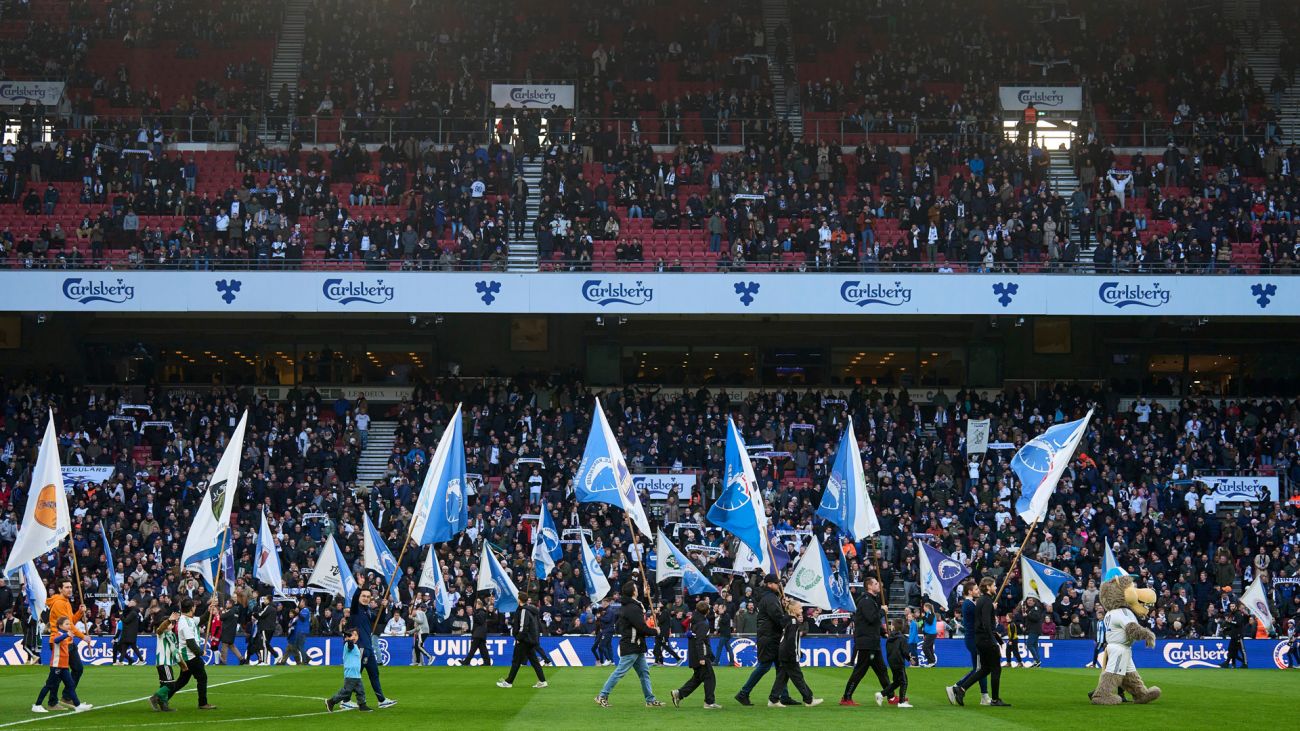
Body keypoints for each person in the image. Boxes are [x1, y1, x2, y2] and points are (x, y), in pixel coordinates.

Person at [595, 581, 662, 708]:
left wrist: (646, 595)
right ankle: (602, 695)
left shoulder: (630, 606)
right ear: (633, 592)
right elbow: (641, 626)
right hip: (631, 645)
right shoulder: (632, 608)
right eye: (636, 588)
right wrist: (655, 631)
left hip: (636, 645)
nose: (637, 589)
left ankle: (650, 699)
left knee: (644, 673)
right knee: (620, 672)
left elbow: (640, 611)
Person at [947, 577, 1009, 707]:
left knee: (983, 669)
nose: (996, 588)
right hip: (981, 639)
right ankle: (962, 688)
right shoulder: (977, 603)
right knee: (987, 668)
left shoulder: (977, 602)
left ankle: (966, 690)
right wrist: (994, 639)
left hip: (977, 638)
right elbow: (984, 621)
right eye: (994, 585)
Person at [735, 573, 785, 706]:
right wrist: (789, 620)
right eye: (776, 583)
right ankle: (743, 693)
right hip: (769, 637)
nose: (778, 585)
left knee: (781, 667)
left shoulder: (769, 597)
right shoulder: (770, 598)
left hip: (769, 636)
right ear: (769, 584)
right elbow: (777, 616)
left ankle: (783, 695)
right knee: (765, 666)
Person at [840, 576, 891, 706]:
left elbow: (872, 623)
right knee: (860, 671)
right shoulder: (867, 601)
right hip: (867, 643)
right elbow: (871, 618)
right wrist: (882, 611)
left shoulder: (871, 600)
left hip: (872, 642)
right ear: (869, 586)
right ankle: (846, 697)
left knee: (882, 671)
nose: (878, 585)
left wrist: (882, 632)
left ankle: (891, 696)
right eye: (875, 583)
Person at [346, 584, 396, 708]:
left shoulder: (367, 610)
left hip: (368, 647)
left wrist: (383, 607)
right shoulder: (355, 609)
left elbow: (380, 620)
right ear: (359, 597)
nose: (365, 598)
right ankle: (345, 701)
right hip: (360, 647)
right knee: (355, 675)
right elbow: (354, 598)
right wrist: (358, 587)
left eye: (368, 596)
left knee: (374, 673)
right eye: (363, 596)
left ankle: (381, 700)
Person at [168, 597, 218, 710]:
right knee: (202, 677)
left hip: (187, 656)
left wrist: (209, 610)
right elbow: (190, 643)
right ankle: (203, 703)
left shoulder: (189, 619)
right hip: (189, 656)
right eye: (194, 606)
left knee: (182, 681)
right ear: (192, 608)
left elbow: (202, 619)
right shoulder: (184, 623)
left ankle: (161, 697)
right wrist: (201, 652)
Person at [770, 598, 821, 707]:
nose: (802, 610)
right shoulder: (793, 621)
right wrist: (794, 654)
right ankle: (808, 699)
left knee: (782, 677)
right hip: (789, 654)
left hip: (784, 652)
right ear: (793, 609)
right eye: (800, 608)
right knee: (798, 677)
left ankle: (773, 699)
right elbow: (791, 640)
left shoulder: (787, 620)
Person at [46, 579, 88, 707]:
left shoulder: (66, 602)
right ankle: (52, 702)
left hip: (68, 642)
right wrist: (82, 636)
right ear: (60, 589)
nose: (69, 589)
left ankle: (66, 696)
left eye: (70, 587)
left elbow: (69, 623)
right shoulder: (59, 603)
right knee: (57, 674)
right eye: (66, 587)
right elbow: (68, 627)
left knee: (78, 669)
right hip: (60, 642)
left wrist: (80, 613)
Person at [670, 600, 720, 709]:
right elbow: (700, 641)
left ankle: (679, 694)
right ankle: (709, 702)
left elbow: (691, 634)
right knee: (710, 678)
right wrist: (702, 658)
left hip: (693, 653)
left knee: (697, 678)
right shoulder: (703, 623)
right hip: (700, 654)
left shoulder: (693, 619)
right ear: (706, 611)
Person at [33, 616, 86, 713]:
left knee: (70, 685)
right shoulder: (56, 634)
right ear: (60, 625)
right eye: (67, 624)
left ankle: (78, 705)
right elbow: (56, 640)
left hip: (63, 666)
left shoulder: (64, 635)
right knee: (49, 685)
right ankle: (37, 705)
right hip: (57, 666)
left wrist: (67, 635)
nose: (69, 625)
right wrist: (67, 635)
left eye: (69, 624)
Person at [497, 593, 546, 688]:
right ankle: (542, 681)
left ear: (519, 600)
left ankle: (508, 682)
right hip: (531, 639)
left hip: (524, 640)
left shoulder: (524, 610)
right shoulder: (531, 609)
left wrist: (519, 638)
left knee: (516, 661)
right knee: (534, 661)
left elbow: (524, 626)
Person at [954, 582, 991, 705]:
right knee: (981, 668)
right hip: (973, 639)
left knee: (979, 668)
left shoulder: (969, 604)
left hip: (972, 638)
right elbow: (980, 617)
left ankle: (984, 696)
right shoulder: (969, 604)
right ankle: (958, 686)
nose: (978, 590)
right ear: (970, 592)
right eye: (975, 589)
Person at [326, 628, 374, 712]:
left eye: (356, 635)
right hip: (351, 674)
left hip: (356, 674)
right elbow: (350, 644)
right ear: (347, 638)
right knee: (346, 692)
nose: (354, 637)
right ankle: (331, 701)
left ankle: (362, 705)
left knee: (360, 691)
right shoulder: (348, 645)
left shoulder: (356, 646)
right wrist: (349, 639)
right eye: (352, 635)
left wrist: (349, 637)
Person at [149, 612, 181, 712]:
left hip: (167, 662)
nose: (171, 624)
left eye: (172, 622)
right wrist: (168, 620)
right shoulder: (162, 633)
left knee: (164, 685)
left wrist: (181, 662)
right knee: (171, 685)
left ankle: (164, 705)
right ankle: (154, 698)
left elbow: (174, 650)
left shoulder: (172, 635)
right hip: (163, 662)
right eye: (169, 622)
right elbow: (159, 629)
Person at [882, 618, 912, 707]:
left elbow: (888, 650)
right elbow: (904, 651)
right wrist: (909, 658)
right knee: (904, 681)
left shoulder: (890, 637)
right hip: (899, 661)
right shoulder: (902, 638)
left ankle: (881, 694)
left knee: (897, 682)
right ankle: (901, 702)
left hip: (891, 661)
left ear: (893, 626)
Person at [463, 598, 493, 666]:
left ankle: (466, 662)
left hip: (478, 634)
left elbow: (480, 621)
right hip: (480, 634)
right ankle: (487, 662)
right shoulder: (480, 612)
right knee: (483, 649)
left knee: (472, 649)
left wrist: (474, 614)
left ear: (479, 605)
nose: (475, 606)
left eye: (476, 604)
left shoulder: (481, 612)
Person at [282, 599, 311, 665]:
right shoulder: (303, 610)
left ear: (303, 602)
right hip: (299, 630)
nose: (299, 603)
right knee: (297, 646)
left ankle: (305, 661)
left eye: (300, 602)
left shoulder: (305, 610)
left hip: (302, 630)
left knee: (300, 646)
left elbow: (303, 618)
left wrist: (297, 612)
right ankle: (307, 658)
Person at [218, 599, 246, 665]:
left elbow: (221, 617)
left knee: (224, 645)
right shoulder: (236, 611)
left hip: (227, 631)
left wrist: (222, 611)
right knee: (232, 646)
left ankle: (223, 661)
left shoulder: (230, 612)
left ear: (231, 604)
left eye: (227, 603)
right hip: (232, 631)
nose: (226, 605)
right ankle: (241, 659)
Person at [1021, 597, 1044, 667]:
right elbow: (1030, 620)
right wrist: (1026, 627)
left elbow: (1036, 618)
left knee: (1029, 644)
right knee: (1034, 645)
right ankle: (1037, 662)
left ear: (1034, 602)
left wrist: (1027, 615)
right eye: (1028, 600)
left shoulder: (1036, 608)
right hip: (1033, 629)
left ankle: (1037, 660)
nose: (1029, 602)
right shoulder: (1031, 609)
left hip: (1035, 630)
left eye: (1031, 600)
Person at [713, 601, 734, 666]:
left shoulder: (726, 615)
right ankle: (731, 662)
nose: (718, 609)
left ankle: (716, 662)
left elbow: (723, 623)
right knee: (728, 648)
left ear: (724, 609)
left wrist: (720, 617)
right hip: (725, 634)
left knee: (719, 648)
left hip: (725, 635)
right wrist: (718, 631)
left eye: (720, 608)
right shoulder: (723, 615)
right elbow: (722, 626)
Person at [920, 603, 938, 667]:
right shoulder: (927, 614)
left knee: (924, 647)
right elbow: (926, 624)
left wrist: (924, 617)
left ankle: (931, 661)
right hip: (929, 633)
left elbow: (930, 622)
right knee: (930, 648)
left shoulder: (931, 614)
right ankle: (932, 663)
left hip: (931, 633)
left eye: (924, 607)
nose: (923, 608)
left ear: (927, 607)